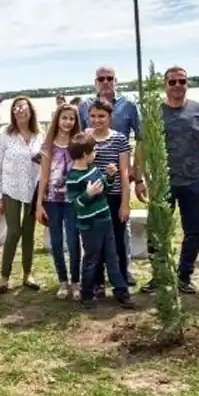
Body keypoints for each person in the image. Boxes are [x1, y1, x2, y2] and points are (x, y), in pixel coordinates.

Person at [138, 66, 199, 295]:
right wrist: (138, 178)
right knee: (157, 230)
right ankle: (159, 275)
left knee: (192, 231)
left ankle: (184, 276)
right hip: (163, 182)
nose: (178, 86)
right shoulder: (154, 112)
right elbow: (142, 146)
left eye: (182, 81)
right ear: (165, 85)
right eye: (172, 82)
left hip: (194, 180)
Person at [79, 67, 141, 280]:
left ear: (116, 80)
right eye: (101, 79)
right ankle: (96, 279)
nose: (105, 82)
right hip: (93, 187)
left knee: (120, 232)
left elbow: (140, 139)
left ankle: (123, 274)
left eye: (109, 78)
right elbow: (77, 143)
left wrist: (136, 172)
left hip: (118, 180)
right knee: (94, 237)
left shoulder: (129, 105)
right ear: (95, 82)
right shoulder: (84, 106)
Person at [66, 133, 134, 309]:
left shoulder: (93, 169)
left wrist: (109, 176)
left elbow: (103, 188)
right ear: (84, 154)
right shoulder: (73, 177)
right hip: (90, 226)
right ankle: (87, 294)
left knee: (113, 257)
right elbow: (76, 204)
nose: (96, 152)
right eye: (94, 150)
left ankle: (121, 291)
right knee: (91, 259)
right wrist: (88, 195)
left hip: (105, 220)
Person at [0, 96, 44, 293]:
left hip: (33, 188)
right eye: (15, 108)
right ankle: (4, 275)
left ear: (30, 110)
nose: (19, 110)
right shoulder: (5, 134)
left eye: (23, 107)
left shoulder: (39, 134)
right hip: (10, 187)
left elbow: (46, 161)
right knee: (14, 231)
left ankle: (27, 273)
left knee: (29, 231)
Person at [36, 104, 82, 299]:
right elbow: (44, 176)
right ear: (57, 120)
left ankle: (76, 281)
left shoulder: (78, 143)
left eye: (71, 119)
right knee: (56, 241)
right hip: (52, 200)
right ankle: (62, 281)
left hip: (73, 200)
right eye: (64, 118)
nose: (68, 122)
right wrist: (39, 204)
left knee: (73, 240)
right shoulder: (48, 146)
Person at [87, 100, 132, 293]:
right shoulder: (85, 138)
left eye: (101, 116)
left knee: (117, 241)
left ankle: (120, 281)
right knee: (94, 243)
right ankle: (97, 282)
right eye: (93, 116)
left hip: (113, 198)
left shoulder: (119, 139)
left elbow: (124, 172)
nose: (97, 120)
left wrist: (125, 203)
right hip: (92, 198)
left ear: (109, 117)